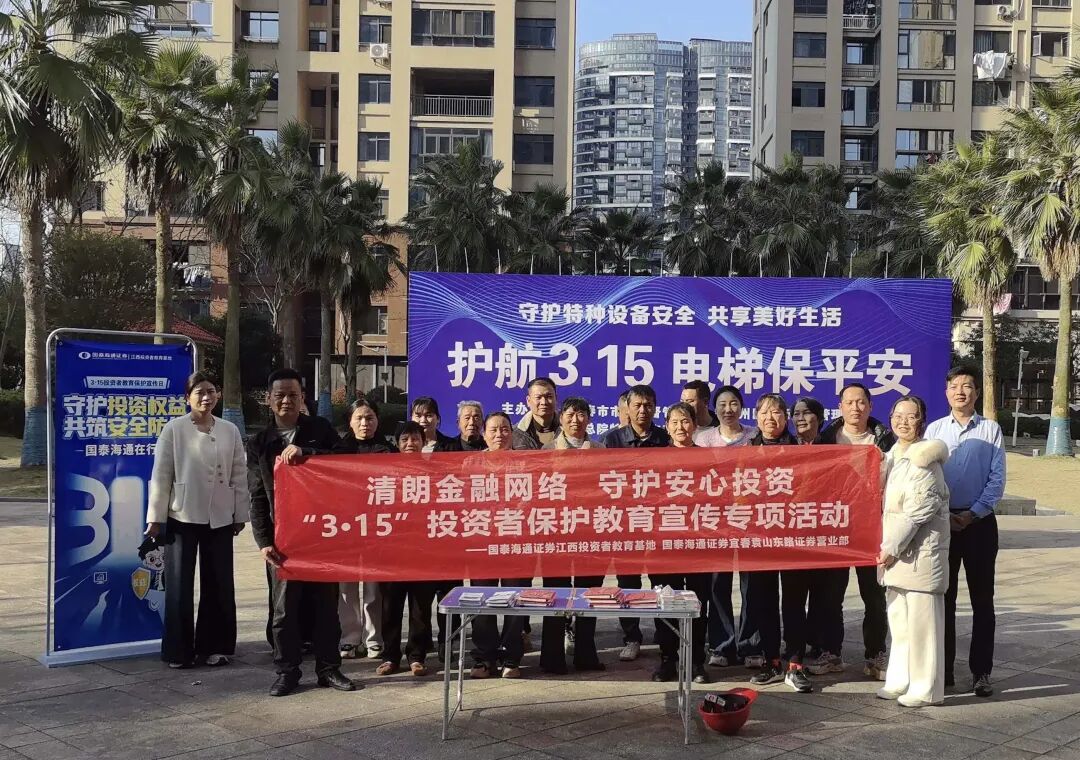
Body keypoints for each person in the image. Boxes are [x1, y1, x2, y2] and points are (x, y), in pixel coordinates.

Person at [248, 368, 354, 696]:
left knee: (326, 607)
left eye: (292, 395)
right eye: (279, 395)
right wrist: (264, 541)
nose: (286, 401)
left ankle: (329, 668)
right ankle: (287, 671)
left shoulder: (319, 430)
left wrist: (308, 453)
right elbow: (257, 495)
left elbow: (346, 460)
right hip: (283, 540)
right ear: (268, 399)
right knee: (284, 610)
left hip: (322, 535)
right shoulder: (260, 443)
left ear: (302, 398)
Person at [146, 372, 249, 669]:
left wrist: (239, 513)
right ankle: (178, 651)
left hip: (220, 515)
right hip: (182, 514)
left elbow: (239, 473)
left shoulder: (229, 430)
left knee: (219, 582)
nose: (206, 397)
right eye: (200, 392)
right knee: (179, 585)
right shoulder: (174, 429)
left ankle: (215, 646)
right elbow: (161, 475)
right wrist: (155, 517)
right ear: (187, 398)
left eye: (211, 391)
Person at [926, 365, 1005, 698]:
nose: (961, 391)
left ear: (977, 392)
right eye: (955, 386)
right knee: (943, 599)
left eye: (967, 386)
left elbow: (997, 480)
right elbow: (926, 478)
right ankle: (942, 671)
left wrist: (973, 514)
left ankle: (981, 672)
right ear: (946, 392)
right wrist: (944, 514)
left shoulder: (991, 430)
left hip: (980, 525)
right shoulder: (934, 430)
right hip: (942, 524)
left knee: (982, 601)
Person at [817, 383, 895, 681]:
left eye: (861, 402)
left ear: (870, 406)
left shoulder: (884, 440)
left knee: (873, 596)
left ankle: (875, 655)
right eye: (849, 402)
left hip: (872, 529)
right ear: (840, 407)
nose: (855, 408)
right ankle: (831, 653)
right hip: (836, 526)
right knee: (830, 595)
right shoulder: (826, 438)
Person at [878, 395, 951, 707]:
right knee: (900, 624)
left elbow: (918, 511)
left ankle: (926, 689)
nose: (903, 422)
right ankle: (900, 680)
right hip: (894, 554)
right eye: (898, 415)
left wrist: (890, 548)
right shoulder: (891, 456)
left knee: (923, 627)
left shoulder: (925, 459)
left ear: (921, 420)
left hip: (920, 554)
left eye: (911, 416)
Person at [744, 394, 811, 692]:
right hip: (759, 538)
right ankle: (771, 660)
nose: (770, 418)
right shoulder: (747, 452)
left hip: (793, 536)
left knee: (794, 602)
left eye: (776, 413)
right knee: (763, 601)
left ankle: (795, 663)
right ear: (756, 417)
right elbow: (738, 495)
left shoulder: (801, 450)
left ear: (786, 418)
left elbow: (809, 490)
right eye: (764, 412)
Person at [603, 384, 671, 661]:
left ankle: (665, 634)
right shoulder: (612, 440)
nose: (643, 410)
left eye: (648, 405)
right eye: (637, 405)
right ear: (627, 408)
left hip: (658, 523)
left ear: (655, 407)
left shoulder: (665, 438)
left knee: (662, 581)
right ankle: (631, 637)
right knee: (628, 582)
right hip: (625, 524)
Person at [539, 397, 606, 674]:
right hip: (557, 533)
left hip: (592, 531)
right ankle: (552, 658)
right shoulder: (547, 451)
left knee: (589, 595)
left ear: (589, 419)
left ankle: (586, 655)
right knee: (556, 595)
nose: (575, 420)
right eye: (570, 414)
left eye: (581, 414)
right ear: (561, 418)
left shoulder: (601, 450)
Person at [697, 385, 757, 669]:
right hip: (715, 521)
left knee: (751, 584)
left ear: (741, 407)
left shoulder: (754, 436)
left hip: (749, 520)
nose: (728, 409)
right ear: (715, 408)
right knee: (717, 585)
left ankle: (750, 645)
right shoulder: (703, 439)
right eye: (722, 404)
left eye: (733, 403)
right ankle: (721, 645)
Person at [650, 403, 711, 685]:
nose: (680, 427)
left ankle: (696, 660)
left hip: (698, 544)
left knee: (697, 603)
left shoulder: (707, 458)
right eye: (674, 422)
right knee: (665, 601)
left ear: (694, 425)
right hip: (664, 544)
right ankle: (667, 659)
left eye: (685, 421)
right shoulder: (656, 460)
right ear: (666, 426)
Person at [469, 412, 533, 679]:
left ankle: (511, 657)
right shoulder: (471, 464)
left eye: (505, 429)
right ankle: (485, 658)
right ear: (484, 434)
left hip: (515, 542)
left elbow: (533, 499)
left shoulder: (525, 464)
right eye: (493, 430)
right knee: (483, 601)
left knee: (514, 600)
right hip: (481, 542)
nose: (499, 435)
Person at [333, 399, 396, 668]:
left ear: (377, 421)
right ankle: (349, 637)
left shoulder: (389, 451)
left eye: (369, 418)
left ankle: (373, 637)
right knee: (346, 587)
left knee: (373, 587)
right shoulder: (336, 451)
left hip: (377, 528)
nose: (364, 423)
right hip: (345, 527)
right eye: (358, 418)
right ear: (349, 421)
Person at [374, 421, 437, 677]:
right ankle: (390, 656)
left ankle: (416, 656)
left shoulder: (435, 472)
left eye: (415, 439)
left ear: (423, 442)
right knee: (390, 607)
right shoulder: (386, 473)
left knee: (421, 609)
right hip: (391, 552)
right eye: (404, 439)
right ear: (397, 444)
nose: (410, 444)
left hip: (424, 551)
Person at [791, 397, 845, 673]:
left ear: (820, 419)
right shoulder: (785, 449)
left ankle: (829, 650)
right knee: (794, 597)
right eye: (796, 413)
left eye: (807, 413)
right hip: (794, 535)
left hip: (828, 534)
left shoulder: (835, 449)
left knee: (828, 597)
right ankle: (795, 650)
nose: (800, 418)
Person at [513, 377, 560, 449]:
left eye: (549, 397)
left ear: (556, 398)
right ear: (528, 401)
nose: (544, 402)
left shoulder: (569, 429)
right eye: (538, 397)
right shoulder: (515, 433)